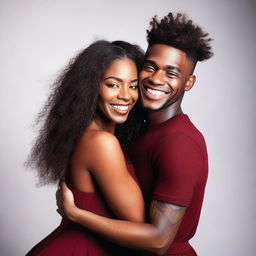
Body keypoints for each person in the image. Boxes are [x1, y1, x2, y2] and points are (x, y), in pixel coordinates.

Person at [58, 12, 213, 256]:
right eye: (150, 67)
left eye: (171, 73)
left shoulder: (178, 142)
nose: (155, 79)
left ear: (189, 82)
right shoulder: (134, 130)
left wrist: (77, 215)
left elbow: (160, 241)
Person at [25, 40, 146, 255]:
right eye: (113, 84)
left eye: (133, 85)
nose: (127, 95)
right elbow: (140, 227)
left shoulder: (89, 135)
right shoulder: (101, 143)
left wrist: (75, 213)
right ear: (91, 86)